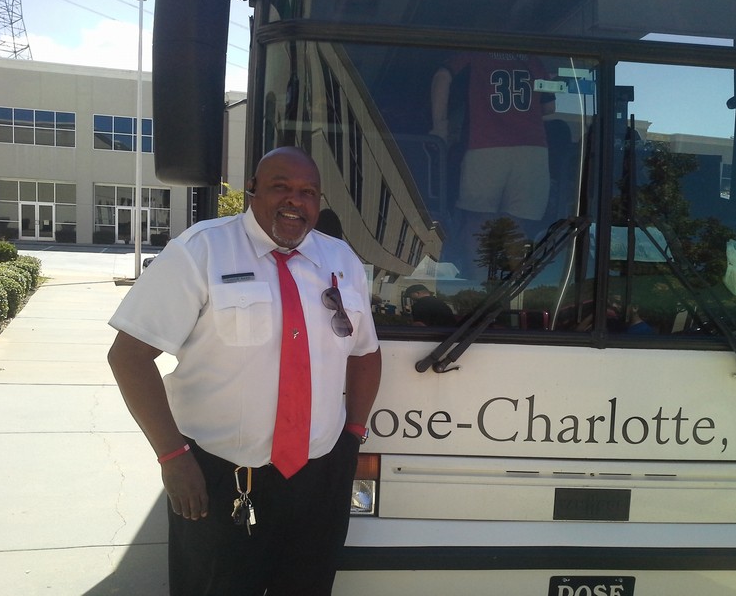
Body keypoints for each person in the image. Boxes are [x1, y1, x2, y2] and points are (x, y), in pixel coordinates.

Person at [107, 146, 382, 595]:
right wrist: (173, 457)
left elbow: (366, 353)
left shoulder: (342, 262)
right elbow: (129, 356)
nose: (295, 200)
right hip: (218, 481)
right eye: (280, 187)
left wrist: (352, 436)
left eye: (308, 192)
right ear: (252, 189)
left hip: (318, 480)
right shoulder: (200, 251)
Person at [431, 50, 555, 279]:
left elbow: (442, 76)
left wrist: (440, 126)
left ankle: (478, 285)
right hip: (532, 151)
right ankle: (515, 287)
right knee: (516, 226)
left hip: (485, 147)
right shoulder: (533, 58)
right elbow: (549, 108)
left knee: (479, 223)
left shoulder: (476, 52)